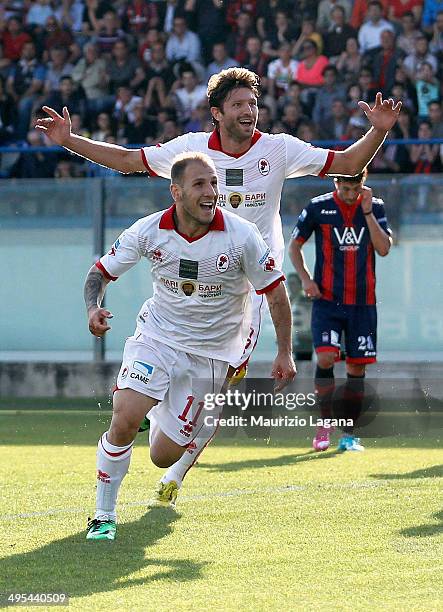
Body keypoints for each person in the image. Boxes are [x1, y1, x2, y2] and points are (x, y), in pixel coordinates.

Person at [36, 66, 401, 505]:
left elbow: (347, 163)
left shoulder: (278, 150)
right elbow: (131, 160)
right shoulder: (190, 150)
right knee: (155, 397)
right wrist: (69, 142)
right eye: (239, 104)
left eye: (254, 103)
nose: (250, 111)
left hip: (247, 296)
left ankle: (177, 468)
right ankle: (152, 411)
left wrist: (376, 132)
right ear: (217, 113)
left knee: (214, 392)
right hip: (192, 276)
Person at [83, 151, 296, 539]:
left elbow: (276, 293)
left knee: (161, 454)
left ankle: (165, 414)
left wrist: (284, 350)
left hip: (213, 353)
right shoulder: (150, 230)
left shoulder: (242, 235)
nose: (211, 191)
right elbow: (99, 273)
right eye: (201, 184)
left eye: (214, 183)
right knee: (124, 418)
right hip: (158, 337)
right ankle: (103, 516)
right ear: (176, 191)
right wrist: (93, 308)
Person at [289, 169, 392, 452]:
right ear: (336, 183)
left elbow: (383, 249)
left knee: (356, 367)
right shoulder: (318, 207)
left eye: (355, 187)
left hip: (363, 303)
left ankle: (349, 433)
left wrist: (368, 212)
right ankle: (324, 423)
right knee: (325, 357)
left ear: (363, 183)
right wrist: (307, 279)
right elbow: (294, 247)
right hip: (327, 301)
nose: (350, 194)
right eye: (345, 188)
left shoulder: (376, 206)